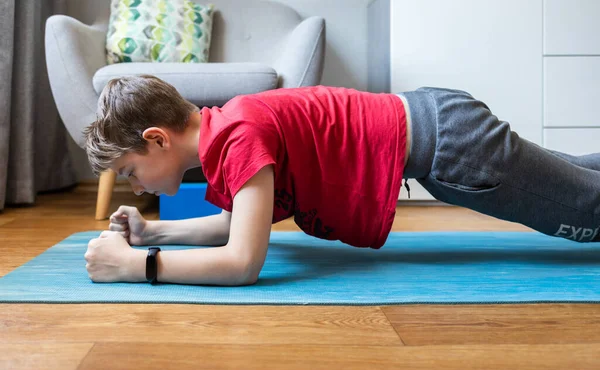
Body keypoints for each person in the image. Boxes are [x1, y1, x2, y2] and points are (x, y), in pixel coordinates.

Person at [82, 75, 600, 285]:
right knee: (582, 176)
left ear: (157, 139)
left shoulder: (238, 136)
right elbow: (231, 227)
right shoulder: (229, 130)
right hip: (443, 128)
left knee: (587, 208)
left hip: (454, 149)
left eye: (129, 171)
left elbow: (242, 262)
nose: (136, 187)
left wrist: (135, 265)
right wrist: (153, 234)